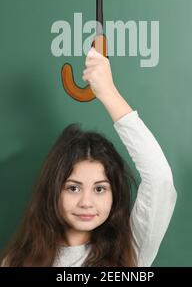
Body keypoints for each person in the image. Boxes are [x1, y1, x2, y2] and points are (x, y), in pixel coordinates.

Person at [1, 47, 177, 267]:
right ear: (53, 190)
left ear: (115, 195)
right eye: (73, 188)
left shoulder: (129, 249)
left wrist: (108, 92)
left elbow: (160, 178)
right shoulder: (17, 261)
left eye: (100, 189)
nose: (86, 203)